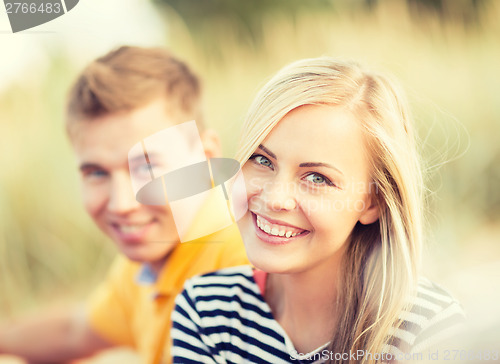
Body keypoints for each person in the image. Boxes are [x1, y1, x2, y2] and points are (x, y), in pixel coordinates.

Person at [171, 57, 466, 363]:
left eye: (317, 178)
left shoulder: (426, 331)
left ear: (373, 202)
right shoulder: (206, 310)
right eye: (262, 160)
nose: (275, 198)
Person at [0, 46, 248, 364]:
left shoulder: (243, 264)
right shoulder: (145, 264)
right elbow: (75, 332)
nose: (121, 204)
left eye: (147, 167)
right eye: (97, 172)